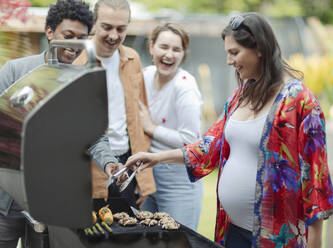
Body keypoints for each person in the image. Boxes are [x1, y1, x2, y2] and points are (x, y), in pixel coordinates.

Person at [124, 13, 333, 248]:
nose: (228, 61)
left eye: (234, 53)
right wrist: (155, 158)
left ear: (259, 48)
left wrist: (316, 242)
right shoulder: (241, 95)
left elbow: (316, 180)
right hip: (233, 232)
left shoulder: (300, 101)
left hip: (276, 239)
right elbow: (209, 147)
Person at [0, 0, 93, 246]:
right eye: (68, 35)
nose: (74, 45)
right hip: (6, 201)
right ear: (50, 32)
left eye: (81, 38)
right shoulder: (14, 71)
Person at [74, 0, 156, 212]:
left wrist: (142, 177)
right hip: (87, 172)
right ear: (93, 23)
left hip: (127, 169)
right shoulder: (76, 63)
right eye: (107, 27)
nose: (113, 35)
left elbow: (137, 122)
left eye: (121, 29)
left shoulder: (132, 58)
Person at [139, 23, 203, 231]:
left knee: (178, 241)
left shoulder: (185, 86)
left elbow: (191, 142)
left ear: (184, 54)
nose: (169, 54)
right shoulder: (144, 76)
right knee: (145, 241)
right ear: (151, 47)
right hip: (147, 172)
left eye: (177, 49)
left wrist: (151, 127)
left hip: (178, 178)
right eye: (164, 47)